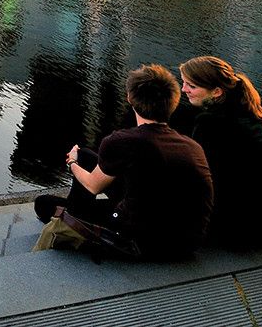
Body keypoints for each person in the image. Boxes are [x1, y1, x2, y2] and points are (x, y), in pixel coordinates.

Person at [35, 64, 213, 260]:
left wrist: (72, 163)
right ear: (173, 102)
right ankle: (75, 209)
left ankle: (73, 215)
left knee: (44, 204)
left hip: (139, 242)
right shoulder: (192, 146)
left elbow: (93, 186)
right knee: (86, 155)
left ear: (129, 98)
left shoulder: (121, 140)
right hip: (187, 242)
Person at [179, 55, 262, 249]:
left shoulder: (211, 122)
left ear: (216, 92)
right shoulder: (245, 110)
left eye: (192, 86)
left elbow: (201, 176)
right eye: (184, 83)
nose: (183, 90)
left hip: (246, 225)